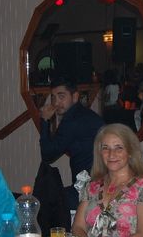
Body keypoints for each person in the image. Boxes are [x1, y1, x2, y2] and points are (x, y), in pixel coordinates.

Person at [72, 123, 143, 237]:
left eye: (118, 148)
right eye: (105, 148)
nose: (111, 154)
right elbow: (78, 227)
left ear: (130, 151)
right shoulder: (91, 186)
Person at [39, 76, 104, 211]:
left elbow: (47, 155)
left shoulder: (72, 120)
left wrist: (44, 121)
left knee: (47, 204)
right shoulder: (84, 114)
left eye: (61, 96)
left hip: (90, 189)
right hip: (101, 183)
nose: (56, 103)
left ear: (75, 97)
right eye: (53, 97)